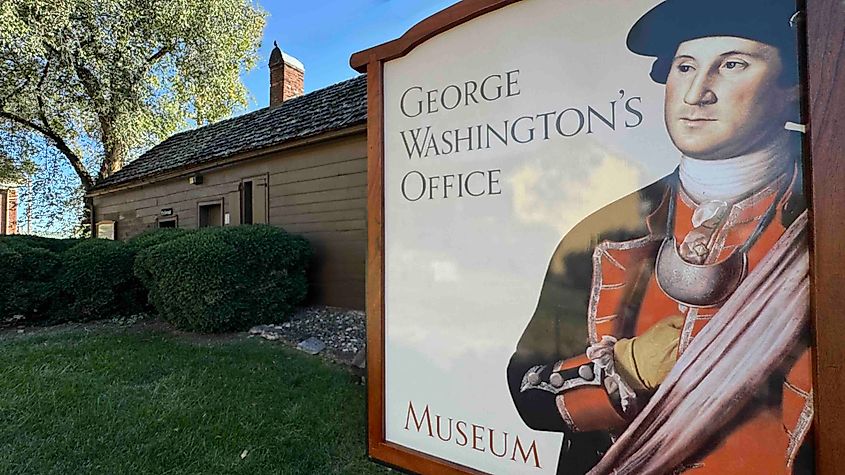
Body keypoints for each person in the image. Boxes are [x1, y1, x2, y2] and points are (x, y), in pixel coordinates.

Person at [507, 0, 813, 473]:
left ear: (792, 84)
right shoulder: (607, 231)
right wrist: (625, 367)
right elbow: (527, 390)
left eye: (732, 65)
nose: (696, 92)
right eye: (685, 66)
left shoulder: (821, 221)